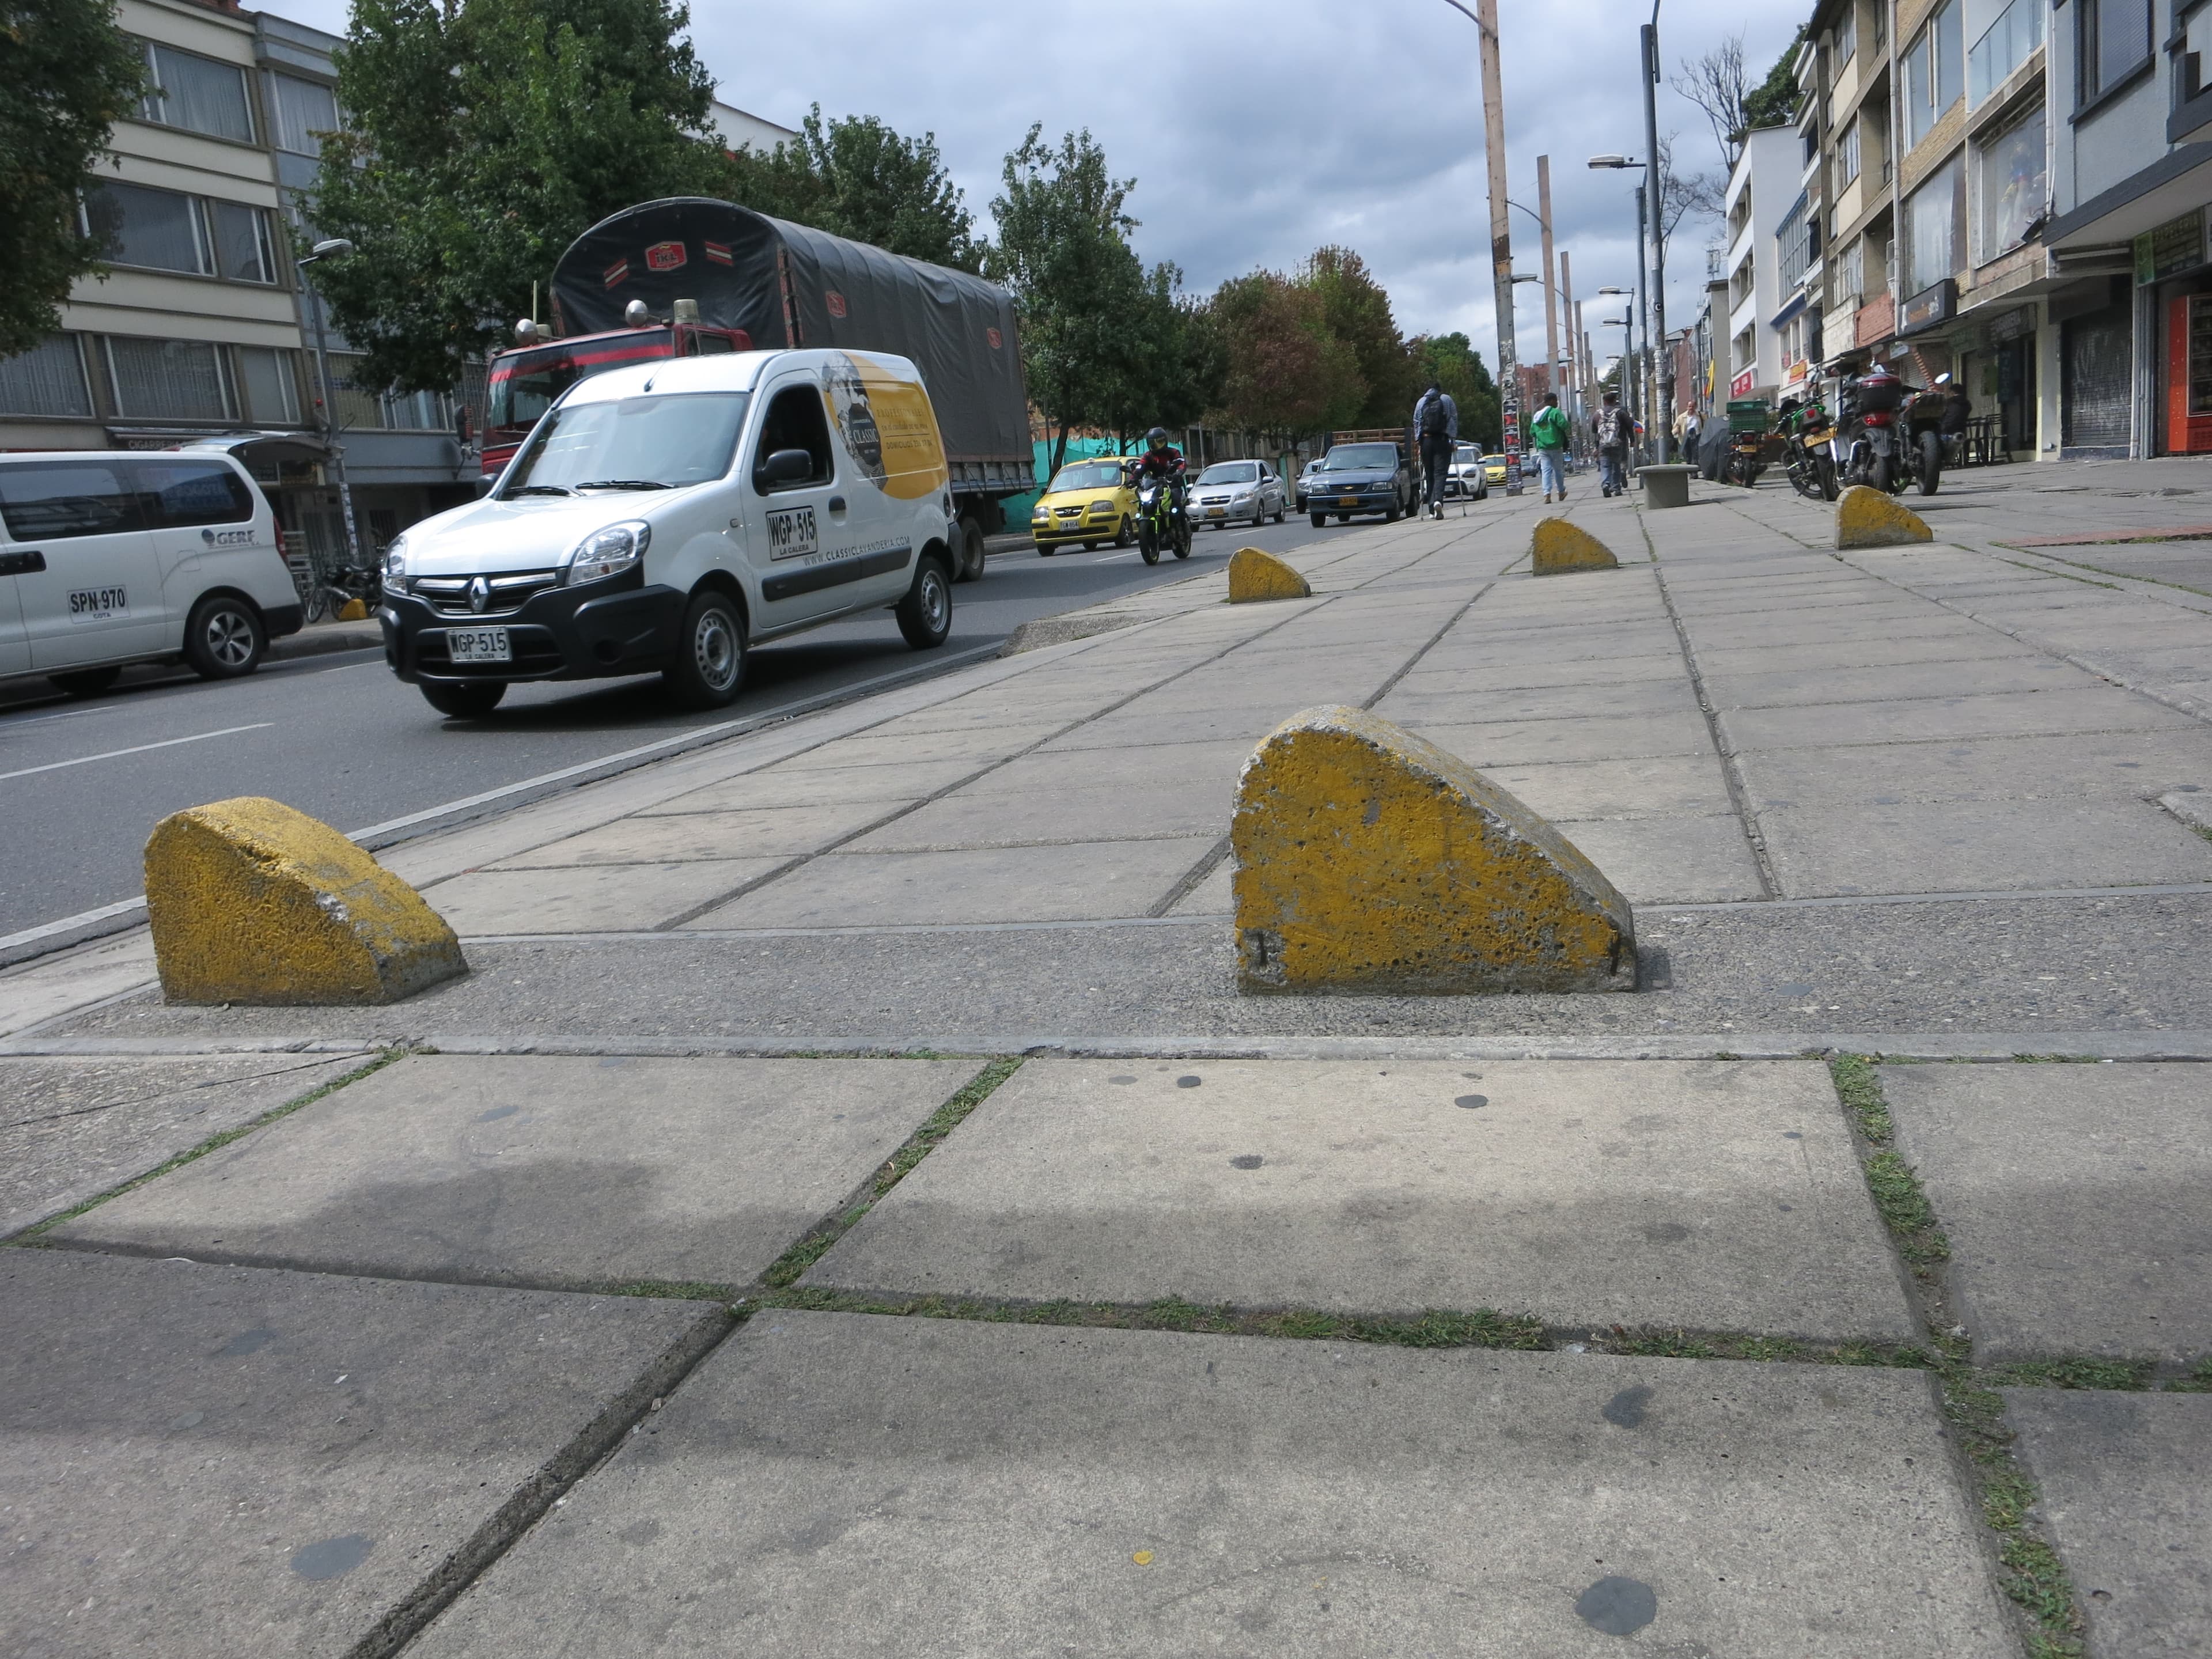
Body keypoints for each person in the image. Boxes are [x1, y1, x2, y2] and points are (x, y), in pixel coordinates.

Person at [1412, 381, 1457, 519]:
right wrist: (1453, 440)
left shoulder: (1421, 402)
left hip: (1426, 441)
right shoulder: (1446, 399)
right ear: (1439, 389)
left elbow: (1416, 421)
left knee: (1430, 473)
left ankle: (1431, 510)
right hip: (1442, 440)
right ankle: (1438, 500)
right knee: (1440, 473)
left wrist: (1419, 442)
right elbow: (1453, 419)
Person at [1528, 392, 1571, 503]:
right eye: (1556, 400)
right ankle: (1561, 492)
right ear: (1551, 401)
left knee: (1546, 470)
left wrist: (1542, 435)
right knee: (1558, 470)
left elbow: (1532, 432)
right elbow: (1565, 425)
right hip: (1556, 446)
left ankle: (1547, 494)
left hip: (1543, 447)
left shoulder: (1537, 415)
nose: (1557, 403)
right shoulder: (1555, 412)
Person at [1594, 391, 1631, 497]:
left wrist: (1597, 447)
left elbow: (1595, 431)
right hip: (1617, 443)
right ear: (1615, 401)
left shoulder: (1597, 414)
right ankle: (1616, 488)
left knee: (1605, 466)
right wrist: (1632, 440)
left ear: (1604, 401)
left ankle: (1606, 484)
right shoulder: (1620, 412)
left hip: (1603, 444)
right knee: (1616, 465)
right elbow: (1630, 425)